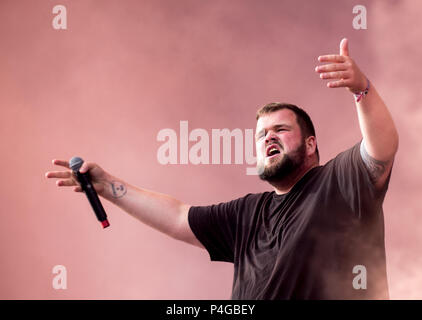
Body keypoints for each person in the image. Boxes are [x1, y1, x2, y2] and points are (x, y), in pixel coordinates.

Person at [45, 38, 398, 299]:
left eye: (280, 130)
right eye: (261, 134)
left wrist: (361, 90)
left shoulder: (339, 182)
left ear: (310, 144)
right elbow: (178, 217)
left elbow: (381, 147)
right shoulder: (247, 213)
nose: (267, 138)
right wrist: (108, 186)